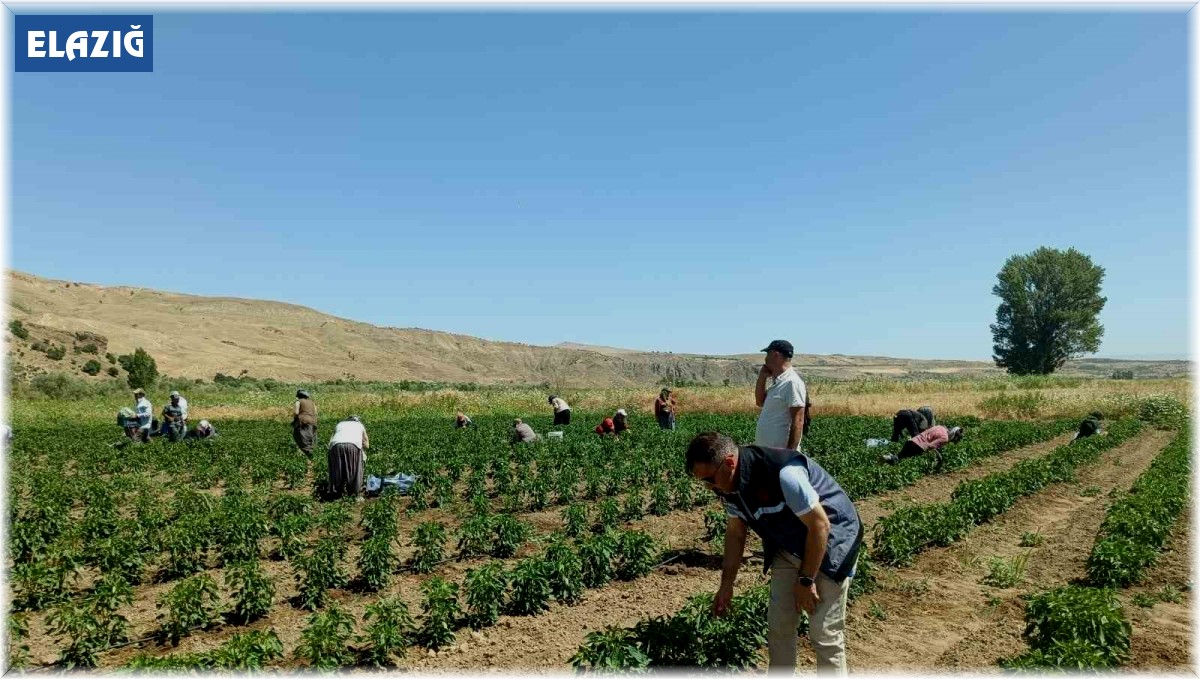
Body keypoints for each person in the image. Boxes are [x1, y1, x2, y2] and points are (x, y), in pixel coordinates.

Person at [686, 431, 862, 675]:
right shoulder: (727, 486)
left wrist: (806, 579)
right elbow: (736, 534)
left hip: (831, 543)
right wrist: (726, 584)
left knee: (824, 633)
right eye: (703, 483)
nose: (709, 488)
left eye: (710, 480)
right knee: (779, 625)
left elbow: (820, 526)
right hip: (788, 546)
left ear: (729, 462)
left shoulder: (784, 474)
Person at [755, 340, 808, 451]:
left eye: (767, 354)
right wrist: (762, 378)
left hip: (780, 455)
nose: (765, 359)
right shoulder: (778, 383)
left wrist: (789, 454)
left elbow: (798, 420)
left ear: (775, 354)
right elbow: (760, 402)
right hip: (767, 453)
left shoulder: (792, 382)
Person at [327, 415, 368, 499]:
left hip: (336, 445)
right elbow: (366, 444)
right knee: (354, 469)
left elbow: (331, 440)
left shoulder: (340, 424)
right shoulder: (360, 425)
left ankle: (336, 493)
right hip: (353, 445)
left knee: (337, 469)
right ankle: (354, 494)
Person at [881, 425, 964, 466]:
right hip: (919, 446)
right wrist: (939, 457)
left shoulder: (941, 427)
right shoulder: (945, 438)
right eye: (955, 439)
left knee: (900, 456)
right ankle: (889, 459)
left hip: (911, 441)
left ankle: (888, 458)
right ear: (954, 436)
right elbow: (931, 446)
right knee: (905, 460)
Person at [293, 390, 318, 457]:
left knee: (300, 436)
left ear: (299, 396)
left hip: (303, 420)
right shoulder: (312, 402)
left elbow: (296, 412)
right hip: (313, 421)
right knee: (311, 436)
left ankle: (307, 452)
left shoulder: (298, 402)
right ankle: (311, 451)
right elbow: (316, 413)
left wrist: (294, 419)